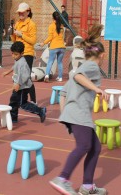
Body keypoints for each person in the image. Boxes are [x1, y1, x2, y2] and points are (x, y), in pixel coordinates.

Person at [49, 24, 109, 195]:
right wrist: (97, 89)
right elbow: (77, 76)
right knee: (84, 146)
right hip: (79, 114)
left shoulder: (83, 66)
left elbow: (64, 92)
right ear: (102, 55)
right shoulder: (91, 67)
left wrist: (64, 114)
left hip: (74, 114)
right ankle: (62, 179)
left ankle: (87, 187)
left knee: (95, 148)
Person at [2, 41, 46, 123]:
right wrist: (8, 72)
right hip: (18, 86)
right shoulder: (17, 60)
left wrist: (18, 84)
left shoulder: (23, 63)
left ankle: (40, 111)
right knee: (13, 101)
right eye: (12, 54)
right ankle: (13, 118)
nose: (13, 56)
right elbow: (15, 66)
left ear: (22, 53)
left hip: (23, 87)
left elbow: (25, 76)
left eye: (16, 54)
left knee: (23, 104)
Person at [10, 2, 37, 103]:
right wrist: (12, 33)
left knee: (26, 78)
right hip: (19, 53)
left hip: (27, 53)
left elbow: (33, 41)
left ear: (28, 12)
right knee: (17, 76)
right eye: (19, 13)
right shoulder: (17, 23)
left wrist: (22, 35)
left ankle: (33, 101)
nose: (20, 14)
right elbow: (14, 41)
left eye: (22, 12)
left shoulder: (31, 24)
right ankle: (20, 99)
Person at [40, 11, 66, 83]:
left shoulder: (51, 26)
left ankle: (47, 75)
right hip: (62, 46)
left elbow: (50, 37)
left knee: (50, 61)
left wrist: (43, 43)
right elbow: (62, 36)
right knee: (60, 62)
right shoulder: (62, 26)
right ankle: (60, 77)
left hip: (54, 46)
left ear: (53, 18)